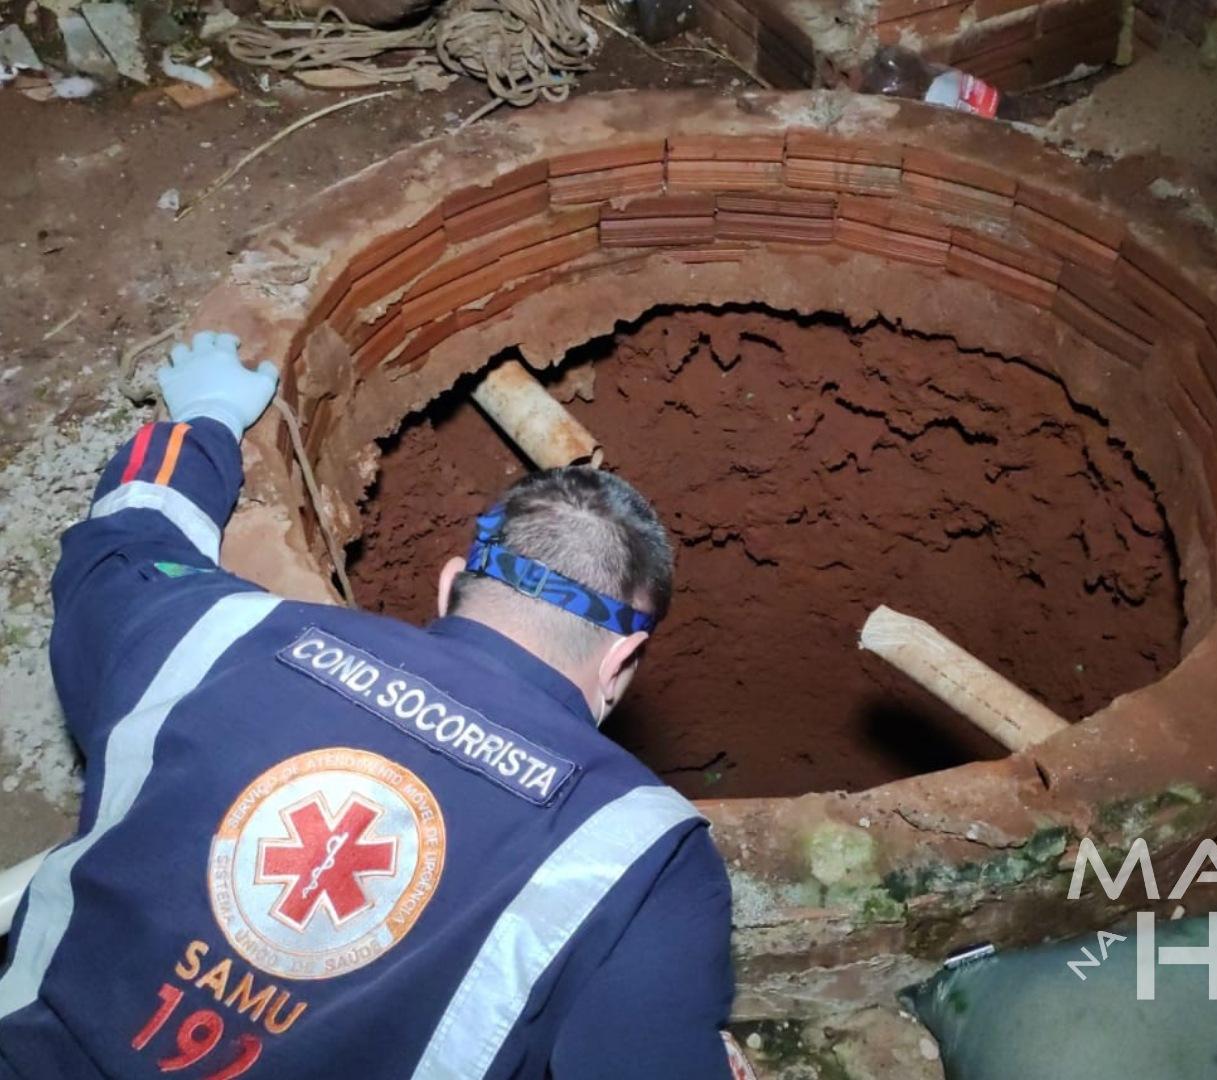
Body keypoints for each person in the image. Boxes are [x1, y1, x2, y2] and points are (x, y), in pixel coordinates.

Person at [0, 333, 736, 1078]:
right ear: (622, 664)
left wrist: (209, 414)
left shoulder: (219, 634)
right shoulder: (647, 861)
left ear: (450, 583)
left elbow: (122, 540)